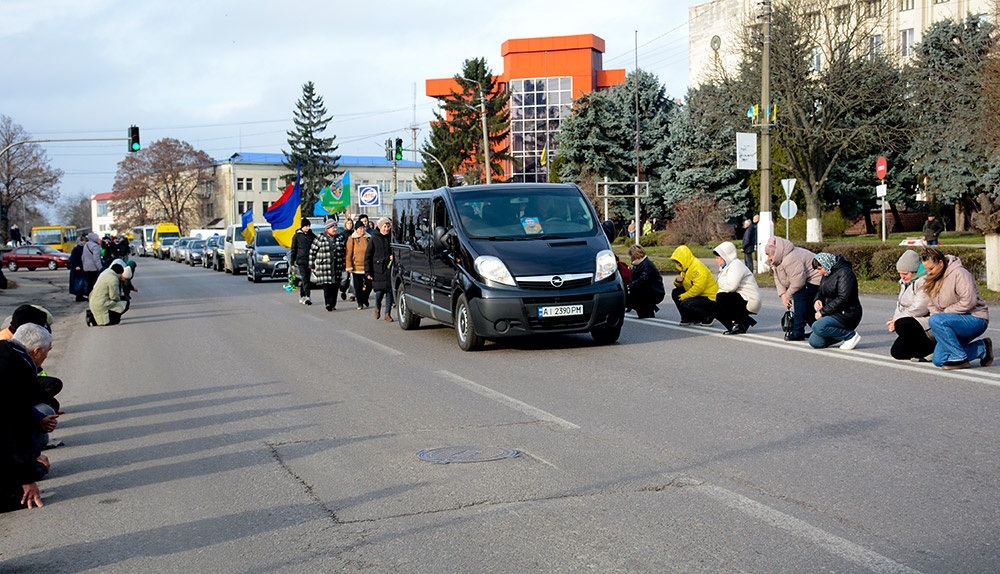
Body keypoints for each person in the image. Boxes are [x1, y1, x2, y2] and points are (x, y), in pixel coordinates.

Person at [920, 247, 992, 370]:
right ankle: (982, 348)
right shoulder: (933, 279)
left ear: (941, 263)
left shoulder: (959, 273)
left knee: (937, 320)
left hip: (975, 319)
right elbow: (932, 305)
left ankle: (959, 358)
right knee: (939, 360)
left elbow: (969, 301)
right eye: (926, 269)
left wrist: (944, 314)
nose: (929, 272)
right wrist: (939, 317)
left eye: (931, 268)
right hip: (952, 322)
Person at [0, 335, 49, 511]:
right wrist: (28, 479)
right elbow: (14, 429)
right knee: (22, 494)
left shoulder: (8, 356)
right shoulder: (16, 369)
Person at [765, 236, 821, 341]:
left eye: (769, 255)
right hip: (805, 280)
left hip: (817, 278)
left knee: (800, 299)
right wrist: (783, 295)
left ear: (776, 253)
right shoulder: (779, 259)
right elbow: (778, 278)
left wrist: (788, 296)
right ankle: (818, 329)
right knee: (805, 305)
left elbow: (798, 282)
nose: (768, 258)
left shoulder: (790, 258)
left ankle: (798, 331)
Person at [808, 253, 863, 350]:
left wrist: (822, 312)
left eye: (820, 269)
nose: (819, 272)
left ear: (826, 264)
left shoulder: (845, 273)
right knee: (815, 342)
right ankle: (838, 334)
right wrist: (817, 300)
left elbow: (843, 298)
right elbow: (821, 290)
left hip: (847, 313)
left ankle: (850, 336)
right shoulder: (827, 273)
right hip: (832, 312)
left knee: (817, 326)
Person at [887, 250, 934, 361]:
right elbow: (900, 305)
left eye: (905, 274)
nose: (902, 277)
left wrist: (897, 320)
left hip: (927, 321)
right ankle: (923, 350)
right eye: (900, 274)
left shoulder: (925, 281)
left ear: (914, 271)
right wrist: (894, 320)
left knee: (903, 323)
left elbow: (920, 308)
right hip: (913, 321)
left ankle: (932, 348)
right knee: (897, 353)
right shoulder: (905, 283)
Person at [711, 241, 761, 335]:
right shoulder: (726, 267)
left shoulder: (736, 265)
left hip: (750, 299)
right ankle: (737, 326)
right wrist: (722, 283)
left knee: (722, 297)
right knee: (714, 308)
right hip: (740, 297)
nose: (716, 260)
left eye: (718, 257)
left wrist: (721, 282)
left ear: (725, 256)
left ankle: (739, 323)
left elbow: (731, 287)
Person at [669, 245, 718, 326]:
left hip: (709, 297)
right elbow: (685, 284)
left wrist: (685, 296)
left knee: (686, 303)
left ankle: (708, 317)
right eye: (677, 262)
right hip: (699, 295)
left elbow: (699, 288)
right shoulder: (686, 268)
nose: (678, 264)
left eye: (679, 262)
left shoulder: (697, 267)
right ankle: (688, 318)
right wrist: (677, 281)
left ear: (684, 258)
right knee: (675, 293)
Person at [309, 219, 347, 312]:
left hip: (337, 267)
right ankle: (328, 303)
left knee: (335, 286)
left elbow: (343, 252)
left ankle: (333, 303)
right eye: (333, 227)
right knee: (327, 287)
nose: (335, 229)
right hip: (324, 267)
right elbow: (312, 252)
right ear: (328, 228)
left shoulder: (339, 238)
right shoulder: (320, 238)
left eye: (335, 227)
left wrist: (343, 265)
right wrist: (311, 265)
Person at [365, 217, 394, 322]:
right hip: (378, 269)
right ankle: (377, 308)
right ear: (380, 227)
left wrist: (393, 256)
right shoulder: (374, 238)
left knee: (390, 292)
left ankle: (387, 314)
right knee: (379, 292)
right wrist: (367, 271)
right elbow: (368, 255)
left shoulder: (391, 237)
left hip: (389, 269)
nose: (386, 229)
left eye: (388, 226)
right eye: (384, 227)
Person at [625, 244, 664, 319]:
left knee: (637, 297)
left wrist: (630, 286)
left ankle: (647, 311)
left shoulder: (647, 265)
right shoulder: (640, 264)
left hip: (652, 292)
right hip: (647, 291)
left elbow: (643, 279)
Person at [345, 217, 371, 310]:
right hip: (356, 267)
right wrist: (349, 266)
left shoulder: (368, 238)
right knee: (358, 286)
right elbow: (348, 253)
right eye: (360, 228)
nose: (362, 230)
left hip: (367, 266)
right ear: (356, 229)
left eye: (363, 228)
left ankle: (365, 298)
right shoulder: (352, 238)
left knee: (369, 285)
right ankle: (360, 302)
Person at [289, 219, 316, 305]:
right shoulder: (297, 236)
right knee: (305, 278)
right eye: (306, 226)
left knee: (307, 279)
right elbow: (293, 250)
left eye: (308, 226)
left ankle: (302, 295)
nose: (307, 228)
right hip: (301, 261)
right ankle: (307, 296)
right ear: (302, 226)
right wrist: (292, 262)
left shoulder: (312, 236)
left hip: (310, 260)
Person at [339, 217, 355, 301]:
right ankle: (342, 290)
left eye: (351, 223)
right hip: (344, 258)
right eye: (348, 223)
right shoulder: (342, 235)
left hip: (353, 259)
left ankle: (352, 294)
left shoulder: (354, 234)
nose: (350, 225)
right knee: (345, 278)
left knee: (352, 278)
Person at [68, 235, 87, 301]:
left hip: (82, 268)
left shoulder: (84, 248)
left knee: (82, 283)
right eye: (82, 241)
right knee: (78, 283)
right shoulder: (76, 249)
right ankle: (79, 296)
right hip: (77, 269)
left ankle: (80, 295)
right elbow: (72, 259)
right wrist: (76, 266)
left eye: (84, 240)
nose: (83, 242)